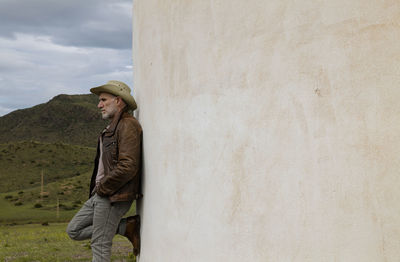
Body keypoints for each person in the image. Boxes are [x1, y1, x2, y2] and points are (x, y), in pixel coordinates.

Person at [66, 80, 142, 261]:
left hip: (112, 196)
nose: (99, 105)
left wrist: (103, 188)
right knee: (74, 230)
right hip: (101, 194)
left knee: (99, 245)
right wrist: (98, 191)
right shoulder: (112, 127)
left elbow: (128, 165)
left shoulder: (127, 125)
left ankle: (124, 226)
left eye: (103, 100)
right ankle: (125, 227)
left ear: (119, 101)